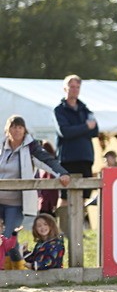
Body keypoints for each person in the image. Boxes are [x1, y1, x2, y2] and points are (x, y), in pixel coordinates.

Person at [0, 116, 71, 265]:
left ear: (24, 130)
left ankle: (17, 269)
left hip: (15, 203)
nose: (16, 130)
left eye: (20, 127)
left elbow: (48, 160)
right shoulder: (1, 147)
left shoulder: (31, 147)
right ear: (7, 130)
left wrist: (62, 173)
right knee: (6, 240)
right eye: (13, 127)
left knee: (8, 237)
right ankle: (15, 268)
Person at [54, 74, 99, 203]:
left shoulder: (86, 110)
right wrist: (85, 127)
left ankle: (79, 224)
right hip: (67, 160)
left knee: (84, 198)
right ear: (65, 88)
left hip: (85, 159)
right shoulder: (59, 110)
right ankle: (62, 223)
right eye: (71, 87)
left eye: (77, 87)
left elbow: (95, 131)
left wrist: (77, 129)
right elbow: (65, 132)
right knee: (65, 198)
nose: (74, 89)